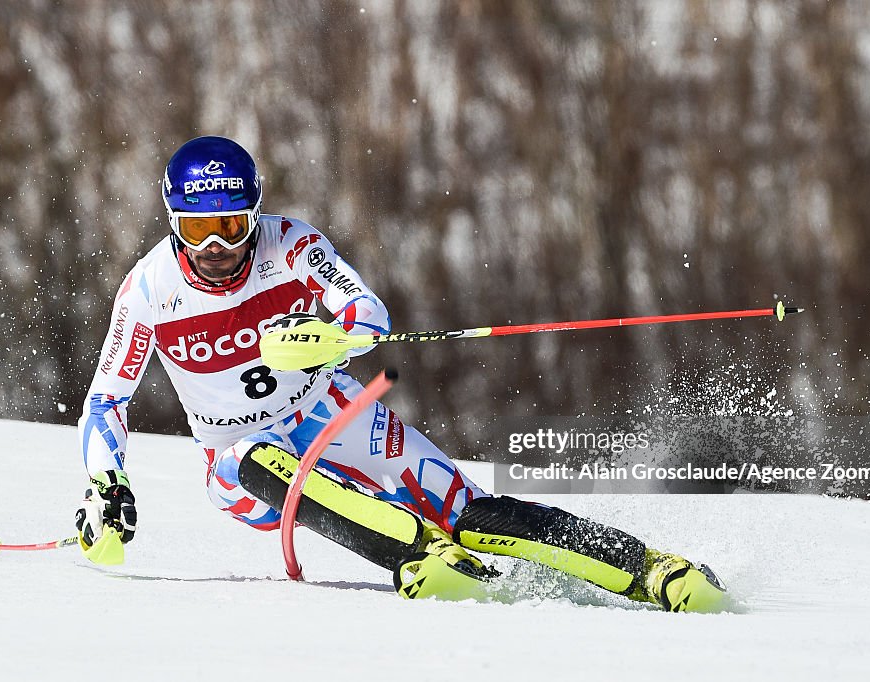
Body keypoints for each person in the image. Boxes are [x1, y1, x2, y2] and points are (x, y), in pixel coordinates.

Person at [74, 135, 727, 610]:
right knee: (254, 460)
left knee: (468, 510)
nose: (216, 248)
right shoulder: (147, 292)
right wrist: (107, 484)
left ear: (254, 217)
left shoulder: (291, 245)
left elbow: (368, 312)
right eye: (198, 230)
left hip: (331, 411)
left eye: (230, 226)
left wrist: (330, 339)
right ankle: (416, 553)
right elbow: (107, 399)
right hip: (234, 459)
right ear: (172, 224)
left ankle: (649, 570)